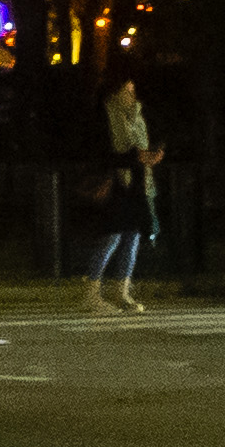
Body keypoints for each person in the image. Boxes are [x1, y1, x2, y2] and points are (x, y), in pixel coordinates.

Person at [89, 68, 165, 312]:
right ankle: (91, 291)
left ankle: (122, 292)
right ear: (116, 91)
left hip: (138, 182)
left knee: (132, 237)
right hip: (116, 181)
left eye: (132, 91)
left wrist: (152, 155)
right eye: (126, 90)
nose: (131, 95)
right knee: (112, 236)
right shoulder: (105, 113)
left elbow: (144, 142)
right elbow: (104, 154)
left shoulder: (137, 114)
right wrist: (136, 156)